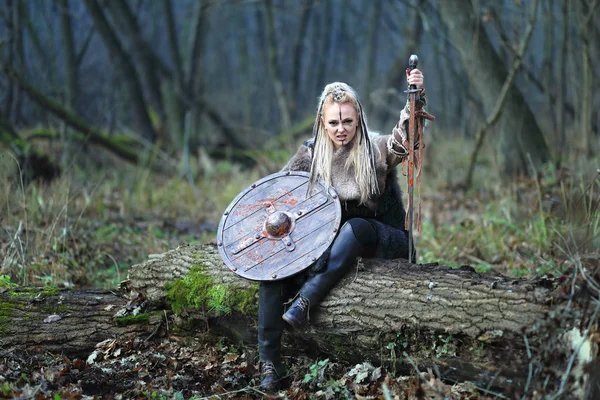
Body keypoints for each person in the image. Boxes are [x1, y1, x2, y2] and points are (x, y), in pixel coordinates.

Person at [258, 69, 426, 391]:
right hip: (323, 241)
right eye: (333, 123)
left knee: (355, 226)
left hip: (377, 236)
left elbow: (403, 140)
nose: (341, 129)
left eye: (347, 121)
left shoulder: (375, 148)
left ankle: (307, 299)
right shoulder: (309, 154)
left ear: (358, 119)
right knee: (271, 274)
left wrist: (414, 100)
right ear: (323, 122)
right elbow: (277, 194)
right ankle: (270, 364)